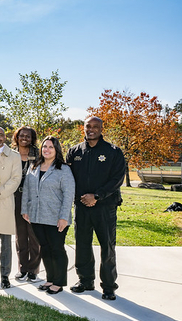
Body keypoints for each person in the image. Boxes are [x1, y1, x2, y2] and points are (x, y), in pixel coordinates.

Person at [66, 116, 126, 300]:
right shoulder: (74, 151)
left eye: (95, 126)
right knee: (82, 244)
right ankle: (85, 280)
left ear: (101, 129)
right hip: (82, 207)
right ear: (83, 128)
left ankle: (108, 286)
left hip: (105, 207)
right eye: (88, 126)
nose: (91, 129)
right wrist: (82, 198)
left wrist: (97, 196)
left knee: (107, 246)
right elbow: (68, 179)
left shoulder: (113, 152)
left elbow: (117, 179)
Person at [21, 136, 75, 295]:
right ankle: (50, 278)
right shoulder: (34, 166)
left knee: (56, 248)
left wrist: (64, 217)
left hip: (56, 217)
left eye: (51, 147)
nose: (47, 149)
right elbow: (27, 190)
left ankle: (59, 282)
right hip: (36, 215)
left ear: (56, 149)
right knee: (44, 248)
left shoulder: (63, 169)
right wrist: (25, 209)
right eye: (44, 146)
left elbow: (68, 194)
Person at [0, 126, 21, 289]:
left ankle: (5, 275)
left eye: (0, 135)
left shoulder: (14, 156)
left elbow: (15, 180)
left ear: (5, 137)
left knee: (6, 242)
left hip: (5, 201)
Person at [11, 126, 41, 282]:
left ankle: (33, 270)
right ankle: (22, 268)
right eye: (21, 135)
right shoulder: (11, 154)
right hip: (15, 197)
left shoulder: (38, 154)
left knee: (34, 235)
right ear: (17, 137)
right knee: (20, 235)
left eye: (28, 136)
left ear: (32, 138)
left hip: (33, 198)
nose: (24, 138)